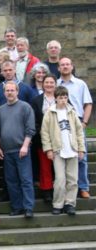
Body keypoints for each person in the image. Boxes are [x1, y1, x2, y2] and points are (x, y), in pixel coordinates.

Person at [41, 86, 85, 216]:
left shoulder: (71, 112)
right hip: (58, 150)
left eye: (65, 97)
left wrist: (81, 148)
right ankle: (58, 204)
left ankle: (70, 203)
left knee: (73, 179)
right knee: (60, 179)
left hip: (72, 149)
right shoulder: (50, 112)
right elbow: (45, 132)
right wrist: (48, 149)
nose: (63, 100)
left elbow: (79, 131)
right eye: (61, 98)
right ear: (56, 98)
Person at [0, 81, 36, 218]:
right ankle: (17, 207)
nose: (10, 92)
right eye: (7, 90)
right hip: (7, 151)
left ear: (17, 91)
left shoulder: (25, 107)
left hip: (21, 150)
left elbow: (30, 129)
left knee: (26, 180)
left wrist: (25, 146)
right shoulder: (0, 110)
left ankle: (28, 207)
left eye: (12, 90)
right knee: (11, 181)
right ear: (4, 92)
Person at [57, 57, 93, 198]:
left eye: (67, 64)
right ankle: (67, 188)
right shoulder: (55, 84)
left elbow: (88, 104)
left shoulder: (80, 84)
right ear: (59, 68)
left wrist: (84, 122)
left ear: (72, 67)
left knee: (81, 156)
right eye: (62, 65)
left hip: (77, 122)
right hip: (60, 122)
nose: (65, 67)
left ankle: (83, 187)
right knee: (62, 155)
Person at [31, 74, 57, 202]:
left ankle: (58, 190)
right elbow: (34, 120)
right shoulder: (37, 100)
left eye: (52, 82)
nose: (49, 85)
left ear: (55, 84)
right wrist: (40, 132)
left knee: (58, 167)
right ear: (43, 84)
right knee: (45, 166)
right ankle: (47, 191)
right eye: (47, 82)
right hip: (42, 139)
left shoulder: (62, 98)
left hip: (60, 140)